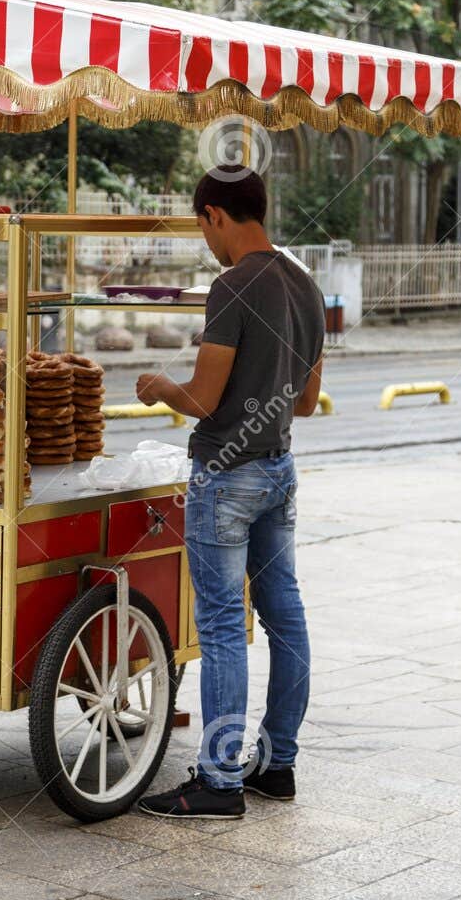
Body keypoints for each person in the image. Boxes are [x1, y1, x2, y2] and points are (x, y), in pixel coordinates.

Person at [134, 164, 325, 820]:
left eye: (202, 226)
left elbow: (205, 400)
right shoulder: (304, 286)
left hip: (225, 474)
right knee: (284, 616)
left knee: (219, 627)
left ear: (216, 215)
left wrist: (162, 387)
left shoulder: (232, 285)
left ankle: (216, 782)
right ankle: (276, 766)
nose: (206, 240)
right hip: (278, 469)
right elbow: (305, 401)